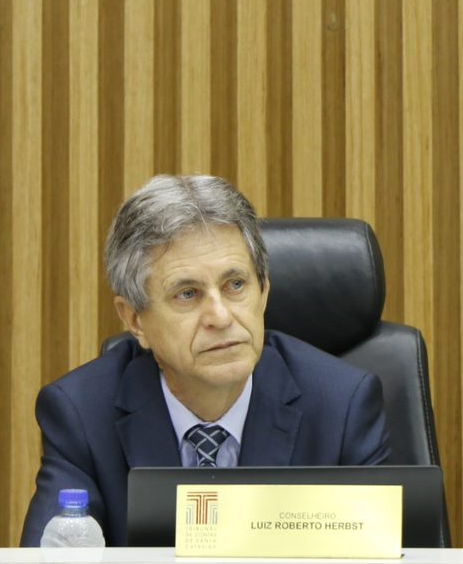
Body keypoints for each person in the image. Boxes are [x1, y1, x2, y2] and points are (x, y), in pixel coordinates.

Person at [21, 174, 390, 547]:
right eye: (187, 294)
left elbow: (390, 551)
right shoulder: (81, 414)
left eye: (235, 285)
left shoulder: (342, 405)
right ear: (134, 320)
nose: (220, 316)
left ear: (263, 292)